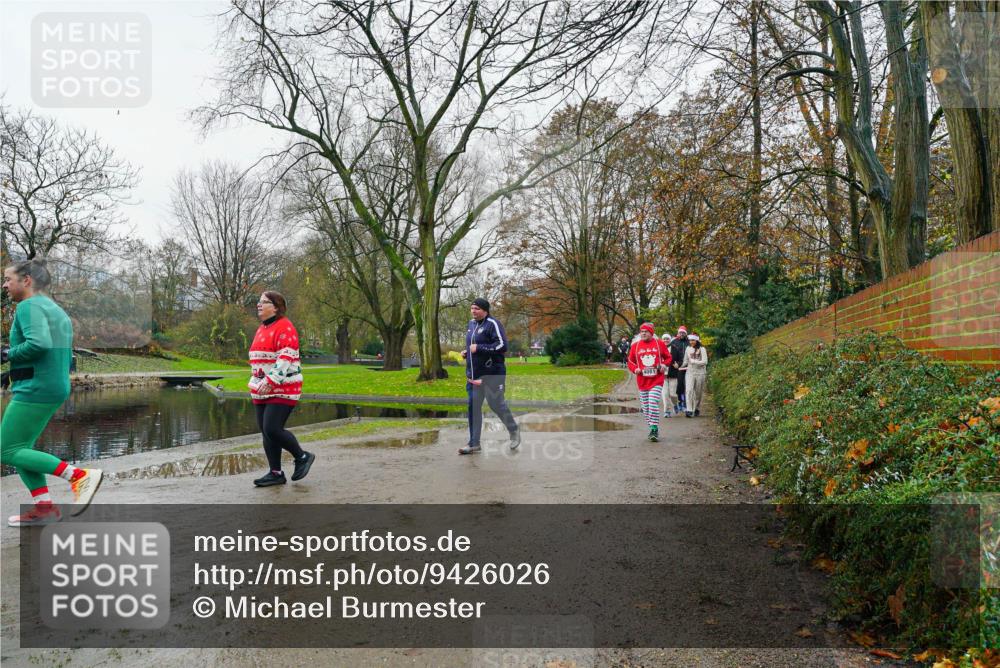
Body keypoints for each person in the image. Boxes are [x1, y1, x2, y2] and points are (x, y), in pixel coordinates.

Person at [1, 258, 102, 526]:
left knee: (7, 450)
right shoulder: (54, 310)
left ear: (27, 280)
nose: (4, 285)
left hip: (36, 387)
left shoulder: (28, 306)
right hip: (51, 384)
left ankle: (78, 475)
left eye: (8, 279)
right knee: (21, 448)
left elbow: (39, 343)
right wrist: (13, 366)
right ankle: (44, 508)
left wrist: (7, 353)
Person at [248, 291, 315, 486]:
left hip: (284, 387)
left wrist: (269, 381)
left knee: (272, 428)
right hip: (261, 389)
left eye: (264, 302)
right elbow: (258, 360)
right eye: (258, 302)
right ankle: (276, 473)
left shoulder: (285, 327)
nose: (259, 305)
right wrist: (256, 381)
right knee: (265, 431)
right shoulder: (261, 328)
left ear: (276, 307)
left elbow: (284, 359)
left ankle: (302, 456)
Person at [459, 298, 520, 455]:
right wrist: (467, 352)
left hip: (493, 374)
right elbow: (472, 346)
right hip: (473, 376)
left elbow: (502, 346)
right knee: (473, 407)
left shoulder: (493, 324)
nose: (473, 311)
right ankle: (474, 444)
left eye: (477, 308)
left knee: (496, 405)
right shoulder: (471, 324)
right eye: (472, 308)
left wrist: (478, 348)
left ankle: (514, 430)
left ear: (485, 310)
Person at [627, 323, 672, 442]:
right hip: (642, 381)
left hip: (657, 380)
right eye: (641, 331)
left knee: (653, 402)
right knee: (646, 408)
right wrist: (635, 369)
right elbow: (630, 362)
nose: (643, 333)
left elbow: (668, 357)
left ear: (651, 333)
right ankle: (651, 426)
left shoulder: (659, 344)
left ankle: (654, 429)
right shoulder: (635, 346)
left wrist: (663, 365)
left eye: (646, 331)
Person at [681, 333, 709, 417]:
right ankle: (689, 410)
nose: (691, 342)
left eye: (693, 340)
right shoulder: (688, 348)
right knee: (689, 391)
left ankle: (696, 407)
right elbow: (685, 361)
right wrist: (679, 366)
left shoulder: (702, 349)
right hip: (690, 372)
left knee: (698, 393)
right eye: (690, 340)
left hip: (700, 373)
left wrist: (694, 362)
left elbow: (705, 362)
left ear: (696, 340)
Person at [668, 326, 689, 414]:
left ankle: (686, 403)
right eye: (680, 332)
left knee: (687, 386)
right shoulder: (674, 342)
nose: (681, 334)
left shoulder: (689, 342)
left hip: (688, 367)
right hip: (678, 367)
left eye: (683, 333)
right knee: (680, 385)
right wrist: (674, 364)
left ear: (685, 334)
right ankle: (681, 401)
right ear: (678, 333)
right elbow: (669, 355)